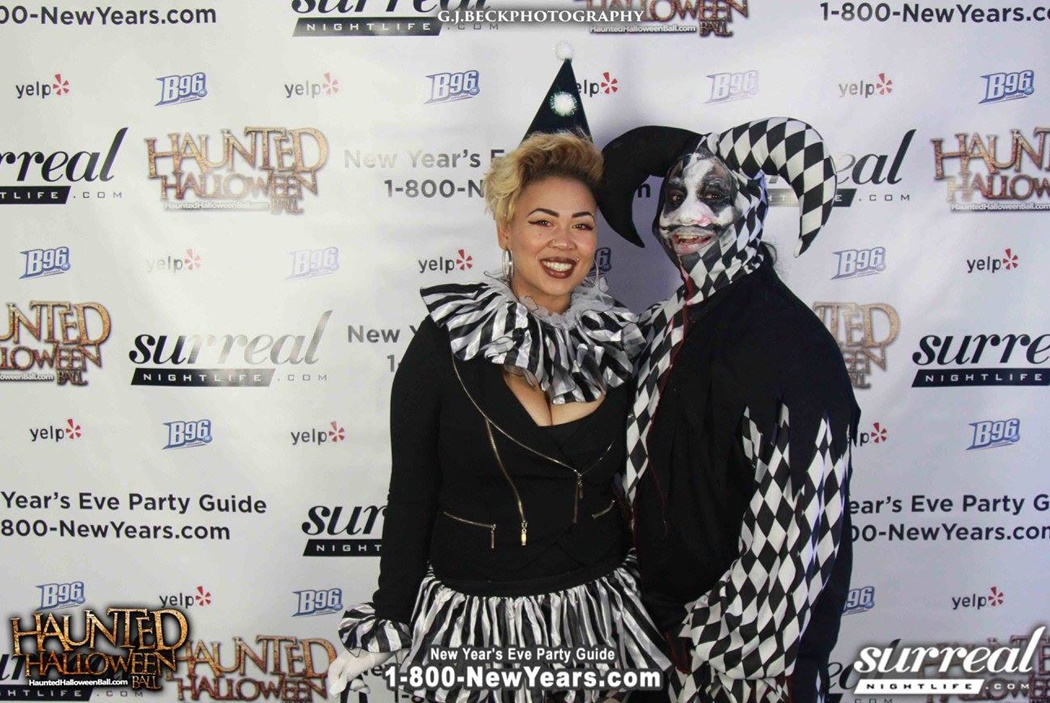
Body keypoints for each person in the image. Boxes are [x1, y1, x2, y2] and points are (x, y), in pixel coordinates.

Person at [329, 52, 671, 703]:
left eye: (581, 224)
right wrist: (390, 614)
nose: (563, 242)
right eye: (542, 222)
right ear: (505, 231)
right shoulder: (445, 342)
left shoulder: (622, 342)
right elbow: (412, 493)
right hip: (477, 625)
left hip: (601, 616)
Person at [596, 119, 861, 703]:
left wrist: (705, 641)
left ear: (751, 208)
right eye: (673, 196)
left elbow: (797, 536)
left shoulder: (789, 344)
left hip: (735, 665)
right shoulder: (665, 324)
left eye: (713, 195)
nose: (684, 215)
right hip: (655, 641)